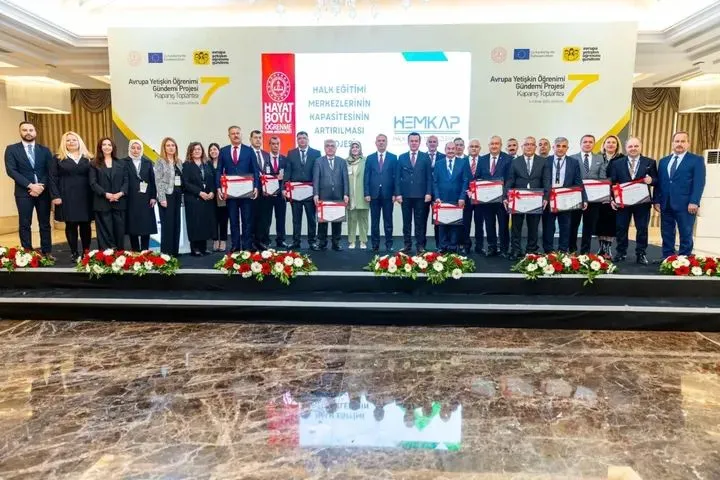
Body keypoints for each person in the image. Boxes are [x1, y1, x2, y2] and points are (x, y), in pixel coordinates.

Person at [654, 131, 706, 258]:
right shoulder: (663, 161)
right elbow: (659, 183)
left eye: (683, 141)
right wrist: (656, 200)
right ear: (672, 143)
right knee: (666, 233)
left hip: (686, 205)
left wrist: (694, 201)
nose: (679, 144)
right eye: (677, 141)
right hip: (665, 203)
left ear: (688, 144)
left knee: (685, 233)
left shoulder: (696, 160)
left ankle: (684, 259)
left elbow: (699, 182)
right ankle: (668, 258)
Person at [4, 121, 53, 255]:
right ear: (20, 132)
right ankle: (27, 253)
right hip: (23, 192)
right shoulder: (12, 149)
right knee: (25, 224)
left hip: (43, 192)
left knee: (45, 224)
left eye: (31, 130)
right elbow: (11, 171)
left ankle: (47, 252)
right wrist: (31, 186)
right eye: (24, 130)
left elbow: (50, 170)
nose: (28, 132)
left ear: (35, 132)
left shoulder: (45, 150)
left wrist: (41, 186)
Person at [609, 137, 657, 265]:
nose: (633, 148)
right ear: (626, 148)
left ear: (640, 147)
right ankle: (621, 252)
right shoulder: (617, 163)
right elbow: (612, 182)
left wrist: (651, 180)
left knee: (642, 229)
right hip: (623, 203)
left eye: (636, 146)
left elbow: (657, 180)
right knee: (621, 228)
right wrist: (612, 199)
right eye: (630, 146)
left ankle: (641, 254)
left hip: (642, 203)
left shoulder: (650, 162)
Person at [49, 131, 93, 261]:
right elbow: (52, 178)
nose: (71, 142)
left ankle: (86, 252)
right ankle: (74, 252)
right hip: (66, 196)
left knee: (86, 224)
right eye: (68, 140)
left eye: (74, 140)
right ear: (64, 143)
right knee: (71, 224)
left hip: (86, 196)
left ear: (79, 141)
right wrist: (55, 196)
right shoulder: (58, 158)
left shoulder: (88, 157)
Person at [215, 126, 258, 252]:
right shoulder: (223, 151)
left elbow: (255, 170)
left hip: (246, 192)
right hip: (231, 193)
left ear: (241, 135)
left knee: (247, 220)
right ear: (229, 136)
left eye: (237, 133)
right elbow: (219, 170)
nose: (235, 135)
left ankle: (247, 245)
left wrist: (256, 186)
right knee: (233, 220)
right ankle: (235, 245)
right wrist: (218, 187)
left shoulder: (249, 151)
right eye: (233, 133)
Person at [542, 137, 587, 253]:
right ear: (553, 147)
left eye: (563, 146)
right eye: (558, 146)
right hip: (549, 198)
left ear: (567, 148)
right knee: (548, 226)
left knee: (565, 226)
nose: (560, 149)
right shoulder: (545, 161)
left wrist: (584, 198)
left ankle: (563, 250)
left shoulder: (573, 162)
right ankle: (548, 251)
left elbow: (578, 182)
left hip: (566, 199)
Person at [505, 136, 547, 260]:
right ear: (522, 147)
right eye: (526, 144)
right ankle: (515, 250)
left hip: (536, 199)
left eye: (532, 144)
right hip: (518, 199)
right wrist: (505, 196)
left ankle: (531, 250)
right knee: (516, 227)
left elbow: (546, 180)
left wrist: (546, 197)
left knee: (533, 227)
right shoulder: (515, 161)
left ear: (535, 147)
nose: (529, 146)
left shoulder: (543, 161)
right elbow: (510, 180)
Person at [395, 132, 432, 254]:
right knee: (406, 222)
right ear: (408, 142)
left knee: (419, 222)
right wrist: (398, 194)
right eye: (412, 141)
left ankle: (420, 246)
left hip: (421, 196)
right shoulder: (401, 157)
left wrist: (428, 193)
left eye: (416, 141)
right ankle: (407, 245)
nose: (414, 143)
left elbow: (429, 177)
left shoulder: (425, 157)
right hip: (405, 196)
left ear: (419, 142)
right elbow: (397, 178)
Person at [569, 134, 606, 253]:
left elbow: (602, 178)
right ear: (580, 144)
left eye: (590, 142)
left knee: (589, 226)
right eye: (585, 142)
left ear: (594, 144)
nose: (588, 144)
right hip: (576, 197)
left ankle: (585, 251)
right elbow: (569, 179)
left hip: (593, 199)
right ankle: (572, 250)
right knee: (573, 225)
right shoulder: (572, 158)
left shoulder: (600, 158)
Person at [89, 137, 128, 250]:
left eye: (109, 145)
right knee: (104, 232)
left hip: (119, 202)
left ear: (113, 147)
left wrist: (120, 193)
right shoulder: (93, 164)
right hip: (102, 202)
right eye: (104, 145)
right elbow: (92, 183)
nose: (107, 147)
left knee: (119, 231)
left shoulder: (121, 163)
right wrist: (105, 194)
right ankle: (106, 255)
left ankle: (119, 253)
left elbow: (126, 181)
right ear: (100, 147)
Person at [285, 131, 321, 250]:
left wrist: (318, 191)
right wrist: (285, 187)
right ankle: (296, 242)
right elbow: (288, 172)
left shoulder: (316, 153)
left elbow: (318, 173)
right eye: (299, 138)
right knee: (296, 219)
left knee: (311, 219)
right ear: (297, 140)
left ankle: (312, 242)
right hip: (295, 191)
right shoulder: (291, 153)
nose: (302, 140)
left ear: (308, 139)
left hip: (310, 191)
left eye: (304, 138)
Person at [477, 136, 512, 257]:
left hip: (502, 200)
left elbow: (510, 179)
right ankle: (492, 247)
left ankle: (504, 249)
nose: (494, 146)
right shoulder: (482, 159)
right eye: (492, 143)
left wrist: (506, 196)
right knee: (489, 224)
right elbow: (478, 177)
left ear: (501, 145)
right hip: (486, 200)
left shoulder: (508, 159)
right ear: (488, 146)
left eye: (497, 143)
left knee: (503, 225)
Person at [313, 139, 349, 251]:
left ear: (336, 148)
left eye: (332, 146)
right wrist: (316, 194)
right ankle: (322, 243)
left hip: (338, 195)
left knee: (337, 220)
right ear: (324, 148)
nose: (330, 148)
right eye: (327, 146)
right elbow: (316, 179)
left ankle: (336, 243)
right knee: (322, 221)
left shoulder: (342, 161)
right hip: (323, 195)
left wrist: (346, 193)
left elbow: (345, 179)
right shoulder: (319, 161)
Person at [434, 142, 470, 253]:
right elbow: (435, 182)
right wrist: (437, 197)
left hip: (457, 199)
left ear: (456, 149)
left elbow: (465, 181)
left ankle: (453, 247)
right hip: (442, 199)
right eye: (448, 148)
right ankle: (442, 247)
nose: (450, 151)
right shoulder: (438, 163)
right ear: (445, 150)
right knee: (442, 225)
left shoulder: (463, 162)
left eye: (453, 148)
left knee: (455, 224)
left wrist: (462, 197)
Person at [364, 134, 397, 252]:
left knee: (388, 222)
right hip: (374, 195)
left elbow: (396, 177)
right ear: (376, 143)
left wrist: (395, 193)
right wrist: (366, 193)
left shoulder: (393, 157)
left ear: (386, 143)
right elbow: (366, 177)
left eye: (383, 141)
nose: (381, 142)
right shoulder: (370, 158)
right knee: (375, 222)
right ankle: (375, 245)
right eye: (379, 141)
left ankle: (389, 244)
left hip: (388, 195)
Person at [182, 142, 216, 256]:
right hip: (193, 198)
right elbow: (185, 183)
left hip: (207, 199)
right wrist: (199, 192)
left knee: (205, 223)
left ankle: (203, 248)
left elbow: (213, 179)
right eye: (194, 149)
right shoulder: (187, 165)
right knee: (195, 223)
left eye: (199, 149)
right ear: (190, 152)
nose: (197, 151)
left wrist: (212, 191)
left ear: (202, 151)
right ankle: (194, 248)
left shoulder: (207, 164)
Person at [123, 140, 157, 251]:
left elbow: (152, 181)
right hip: (130, 199)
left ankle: (145, 251)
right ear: (129, 148)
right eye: (133, 148)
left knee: (145, 225)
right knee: (132, 226)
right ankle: (135, 251)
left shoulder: (147, 162)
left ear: (141, 149)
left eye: (138, 148)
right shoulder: (123, 162)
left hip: (146, 199)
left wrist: (153, 197)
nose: (135, 150)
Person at [595, 135, 624, 257]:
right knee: (600, 222)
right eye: (608, 142)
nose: (611, 144)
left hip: (614, 195)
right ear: (604, 144)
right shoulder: (597, 157)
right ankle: (601, 247)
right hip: (599, 195)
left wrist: (613, 196)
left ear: (617, 145)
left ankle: (608, 248)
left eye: (613, 142)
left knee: (611, 222)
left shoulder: (622, 159)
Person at [154, 137, 183, 256]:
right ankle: (166, 253)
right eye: (168, 145)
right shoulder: (160, 161)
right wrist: (162, 198)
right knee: (167, 225)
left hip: (177, 196)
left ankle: (174, 252)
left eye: (173, 145)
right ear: (164, 148)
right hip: (166, 196)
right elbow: (158, 181)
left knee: (176, 224)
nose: (171, 148)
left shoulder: (179, 162)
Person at [261, 136, 289, 249]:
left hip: (280, 194)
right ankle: (266, 240)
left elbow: (287, 177)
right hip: (267, 194)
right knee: (266, 219)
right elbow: (262, 176)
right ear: (269, 145)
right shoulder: (264, 159)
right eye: (273, 144)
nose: (275, 146)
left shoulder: (285, 159)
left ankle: (280, 240)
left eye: (277, 144)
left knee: (281, 218)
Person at [249, 130, 272, 250]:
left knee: (263, 217)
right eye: (255, 137)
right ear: (250, 139)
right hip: (251, 190)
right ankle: (251, 242)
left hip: (265, 191)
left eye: (260, 137)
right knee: (252, 217)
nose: (258, 140)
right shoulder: (247, 153)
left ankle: (260, 240)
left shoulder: (266, 154)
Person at [461, 139, 483, 254]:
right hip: (466, 198)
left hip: (480, 199)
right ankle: (466, 245)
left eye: (476, 146)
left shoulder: (484, 161)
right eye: (471, 146)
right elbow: (460, 180)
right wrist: (466, 191)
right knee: (466, 223)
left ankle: (479, 246)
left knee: (479, 223)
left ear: (480, 148)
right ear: (468, 148)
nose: (474, 148)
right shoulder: (462, 162)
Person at [346, 140, 369, 249]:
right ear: (350, 149)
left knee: (363, 219)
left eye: (357, 147)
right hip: (350, 196)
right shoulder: (346, 162)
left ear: (360, 149)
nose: (355, 149)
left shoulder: (365, 161)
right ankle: (352, 241)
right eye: (353, 147)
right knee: (351, 219)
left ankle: (363, 241)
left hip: (363, 195)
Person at [424, 135, 445, 247]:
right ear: (426, 144)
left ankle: (439, 244)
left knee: (439, 220)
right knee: (422, 220)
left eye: (434, 142)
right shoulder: (421, 157)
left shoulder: (444, 157)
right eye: (430, 142)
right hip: (424, 193)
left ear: (437, 144)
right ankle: (422, 245)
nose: (432, 143)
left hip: (439, 193)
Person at [207, 142, 228, 252]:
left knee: (223, 218)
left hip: (222, 195)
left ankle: (223, 240)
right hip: (211, 195)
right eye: (211, 150)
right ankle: (215, 240)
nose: (213, 151)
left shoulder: (224, 163)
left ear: (219, 151)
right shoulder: (207, 164)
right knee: (213, 219)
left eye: (215, 149)